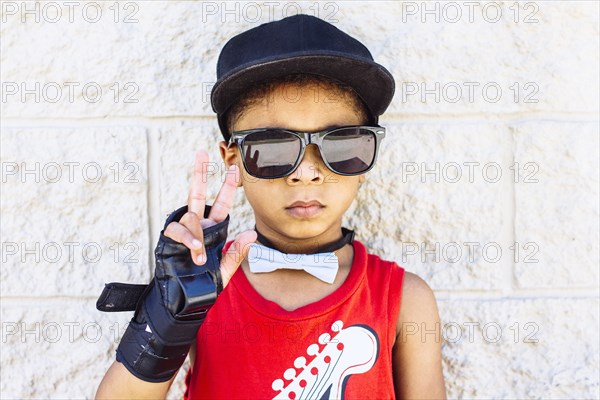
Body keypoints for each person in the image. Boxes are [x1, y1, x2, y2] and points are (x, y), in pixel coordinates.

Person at [96, 14, 446, 400]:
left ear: (370, 155)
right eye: (274, 148)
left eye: (342, 145)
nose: (307, 173)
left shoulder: (404, 299)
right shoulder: (201, 291)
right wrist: (164, 322)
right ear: (234, 162)